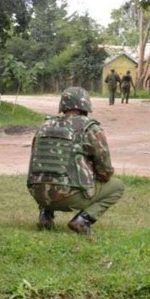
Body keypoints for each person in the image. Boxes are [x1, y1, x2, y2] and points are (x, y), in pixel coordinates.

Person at [27, 87, 125, 236]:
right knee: (117, 186)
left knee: (50, 171)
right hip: (69, 196)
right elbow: (105, 170)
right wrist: (93, 175)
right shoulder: (90, 128)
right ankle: (83, 220)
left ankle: (45, 215)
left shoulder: (44, 126)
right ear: (85, 105)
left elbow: (37, 161)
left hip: (38, 193)